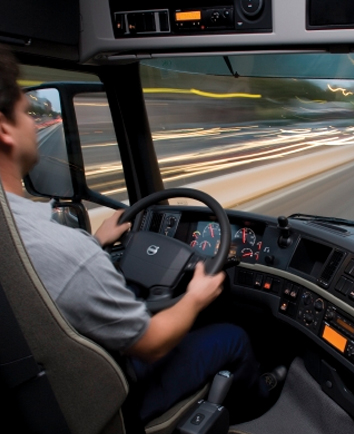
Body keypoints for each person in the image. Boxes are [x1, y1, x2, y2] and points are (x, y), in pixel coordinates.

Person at [0, 45, 283, 423]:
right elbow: (151, 343)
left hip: (48, 396)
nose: (35, 124)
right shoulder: (59, 248)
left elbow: (41, 273)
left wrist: (96, 242)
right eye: (26, 112)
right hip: (109, 400)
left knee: (136, 291)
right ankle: (261, 402)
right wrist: (196, 298)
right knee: (233, 336)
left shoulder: (25, 240)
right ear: (5, 129)